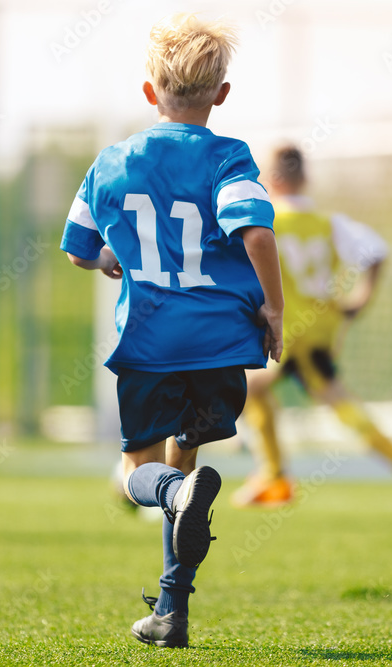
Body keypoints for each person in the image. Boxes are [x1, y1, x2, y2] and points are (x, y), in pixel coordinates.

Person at [59, 14, 283, 648]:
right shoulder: (228, 156)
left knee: (140, 474)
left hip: (150, 343)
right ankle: (170, 612)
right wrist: (274, 309)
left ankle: (172, 494)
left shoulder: (110, 162)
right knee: (188, 461)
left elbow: (78, 248)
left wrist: (111, 260)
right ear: (222, 94)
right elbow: (257, 230)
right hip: (219, 342)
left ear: (149, 93)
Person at [231, 144, 392, 523]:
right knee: (329, 401)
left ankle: (274, 475)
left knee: (241, 386)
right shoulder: (330, 223)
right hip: (323, 328)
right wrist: (361, 297)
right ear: (304, 178)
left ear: (271, 179)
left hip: (286, 329)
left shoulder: (265, 221)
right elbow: (377, 250)